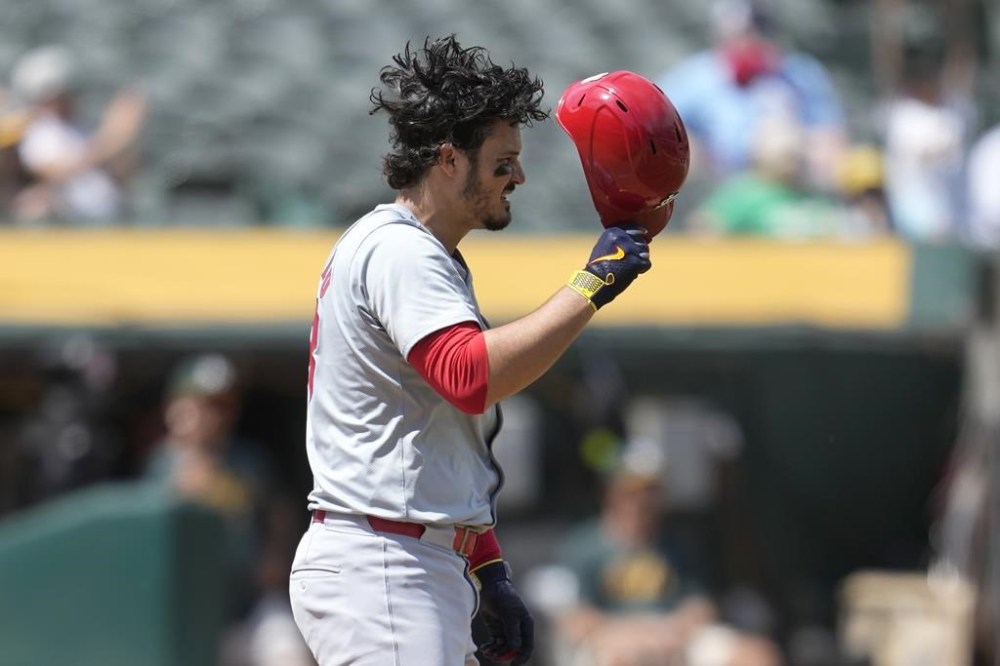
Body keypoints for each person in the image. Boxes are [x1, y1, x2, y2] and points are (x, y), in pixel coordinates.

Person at [288, 36, 688, 666]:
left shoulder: (429, 255)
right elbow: (468, 376)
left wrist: (488, 565)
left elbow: (440, 440)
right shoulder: (401, 250)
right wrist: (591, 285)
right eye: (503, 161)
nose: (519, 177)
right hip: (383, 564)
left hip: (409, 558)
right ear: (449, 160)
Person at [550, 441, 782, 666]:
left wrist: (672, 631)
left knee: (757, 655)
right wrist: (635, 635)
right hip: (612, 637)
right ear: (611, 492)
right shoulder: (582, 545)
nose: (643, 500)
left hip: (675, 634)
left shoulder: (678, 544)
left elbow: (701, 605)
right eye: (633, 490)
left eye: (652, 490)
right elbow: (576, 619)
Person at [657, 0, 847, 194]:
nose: (749, 41)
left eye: (758, 30)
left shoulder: (800, 74)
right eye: (741, 33)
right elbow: (657, 127)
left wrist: (795, 150)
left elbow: (830, 140)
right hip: (722, 192)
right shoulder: (696, 78)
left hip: (792, 187)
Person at [7, 44, 147, 224]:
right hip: (70, 222)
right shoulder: (38, 131)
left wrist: (128, 139)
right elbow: (56, 172)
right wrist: (111, 139)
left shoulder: (82, 127)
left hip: (108, 217)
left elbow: (120, 175)